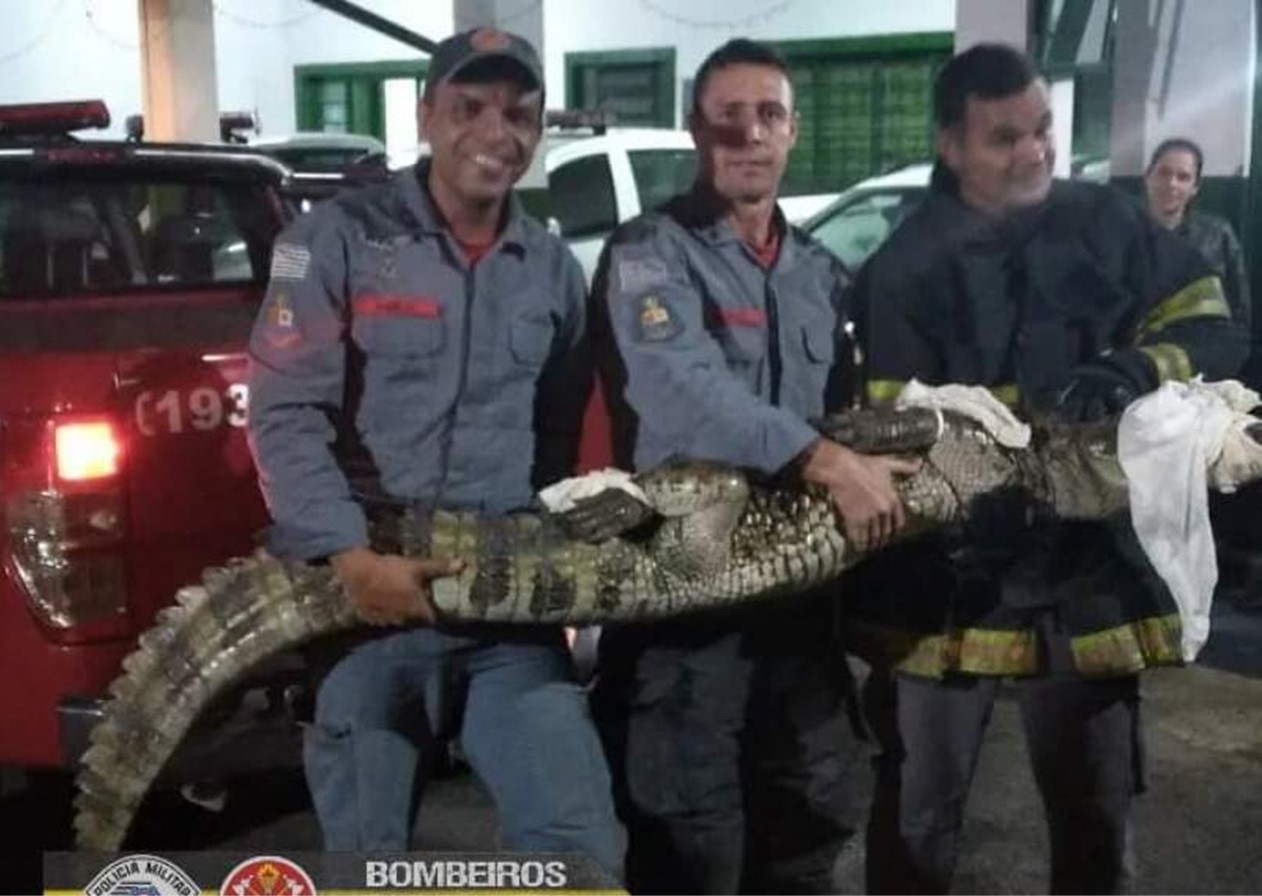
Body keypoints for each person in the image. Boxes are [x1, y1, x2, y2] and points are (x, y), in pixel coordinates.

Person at [845, 43, 1249, 895]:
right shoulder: (903, 270)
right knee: (919, 821)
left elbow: (1213, 325)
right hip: (947, 590)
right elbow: (893, 432)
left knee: (1095, 820)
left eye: (1043, 129)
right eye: (1006, 139)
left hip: (1086, 580)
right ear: (952, 147)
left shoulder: (1109, 224)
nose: (1035, 151)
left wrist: (1137, 369)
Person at [246, 27, 621, 876]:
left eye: (519, 114)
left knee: (581, 854)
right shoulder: (325, 240)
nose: (497, 132)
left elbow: (557, 441)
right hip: (364, 604)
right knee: (368, 868)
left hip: (504, 623)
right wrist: (348, 557)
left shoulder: (555, 270)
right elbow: (283, 411)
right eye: (470, 108)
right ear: (426, 118)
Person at [589, 37, 918, 895]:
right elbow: (678, 388)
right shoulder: (650, 252)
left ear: (792, 132)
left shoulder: (818, 273)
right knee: (689, 843)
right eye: (727, 117)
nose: (748, 134)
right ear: (696, 131)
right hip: (685, 606)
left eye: (767, 115)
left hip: (800, 616)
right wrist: (826, 461)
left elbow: (856, 403)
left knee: (810, 822)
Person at [1144, 137, 1251, 329]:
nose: (1172, 184)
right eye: (1164, 173)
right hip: (1135, 351)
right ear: (1148, 176)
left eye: (1183, 177)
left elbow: (1238, 305)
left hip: (1200, 346)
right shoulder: (1120, 232)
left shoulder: (1218, 235)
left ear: (1195, 187)